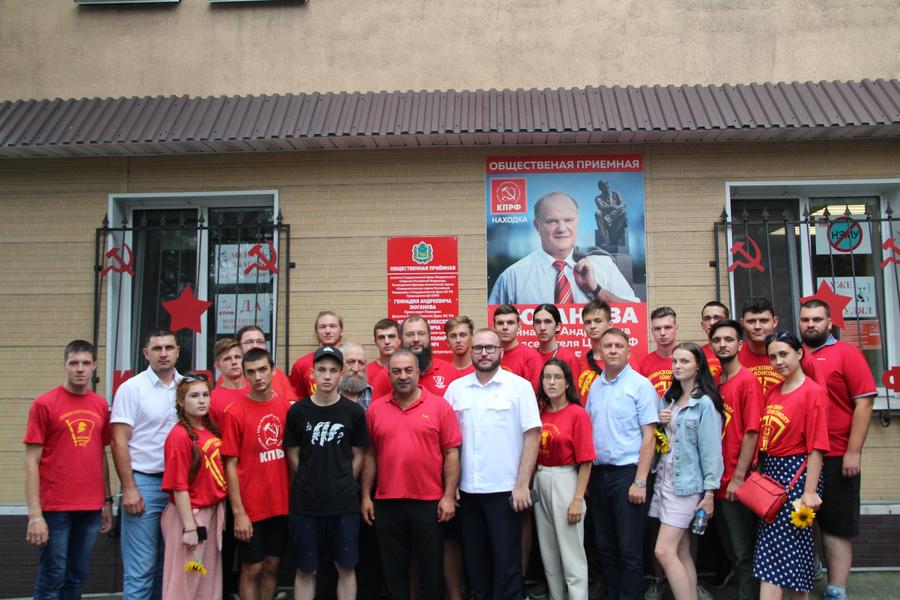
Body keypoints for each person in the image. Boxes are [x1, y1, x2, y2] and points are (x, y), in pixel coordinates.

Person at [444, 328, 542, 600]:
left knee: (507, 564)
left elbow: (532, 436)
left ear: (500, 351)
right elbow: (449, 443)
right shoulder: (456, 389)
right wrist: (451, 487)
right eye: (478, 348)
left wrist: (522, 485)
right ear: (471, 352)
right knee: (476, 564)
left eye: (490, 348)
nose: (484, 353)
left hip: (505, 491)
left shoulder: (519, 387)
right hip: (468, 493)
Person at [361, 349, 462, 600]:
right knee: (394, 572)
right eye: (396, 371)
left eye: (408, 370)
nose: (403, 376)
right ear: (389, 375)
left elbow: (451, 453)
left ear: (418, 372)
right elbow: (370, 454)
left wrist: (448, 496)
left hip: (429, 502)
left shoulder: (440, 407)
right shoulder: (375, 410)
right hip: (387, 502)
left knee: (432, 570)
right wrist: (365, 496)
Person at [799, 300, 877, 600]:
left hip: (836, 453)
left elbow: (864, 403)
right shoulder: (793, 353)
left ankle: (837, 589)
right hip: (799, 454)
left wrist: (853, 451)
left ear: (829, 323)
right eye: (805, 319)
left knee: (836, 523)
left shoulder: (847, 353)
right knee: (804, 517)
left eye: (817, 319)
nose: (810, 324)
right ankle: (813, 569)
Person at [24, 340, 113, 599]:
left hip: (91, 507)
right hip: (55, 508)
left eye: (85, 363)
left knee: (77, 576)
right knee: (53, 576)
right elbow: (30, 462)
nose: (80, 369)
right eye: (74, 363)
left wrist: (107, 501)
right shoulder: (44, 404)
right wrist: (34, 515)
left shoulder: (100, 405)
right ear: (65, 365)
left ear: (94, 366)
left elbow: (101, 455)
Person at [285, 346, 370, 600]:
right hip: (306, 504)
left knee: (346, 567)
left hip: (343, 504)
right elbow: (293, 454)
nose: (327, 376)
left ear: (341, 373)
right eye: (321, 370)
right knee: (305, 569)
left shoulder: (353, 412)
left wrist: (342, 480)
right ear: (312, 373)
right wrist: (311, 478)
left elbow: (359, 454)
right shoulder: (298, 412)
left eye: (333, 370)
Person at [753, 331, 829, 599]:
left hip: (797, 477)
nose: (778, 361)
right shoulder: (774, 391)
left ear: (799, 353)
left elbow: (816, 447)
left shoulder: (813, 392)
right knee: (779, 553)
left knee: (785, 553)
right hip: (772, 478)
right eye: (772, 356)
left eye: (783, 354)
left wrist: (810, 491)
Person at [584, 328, 658, 600]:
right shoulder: (595, 387)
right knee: (605, 547)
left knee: (629, 550)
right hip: (599, 475)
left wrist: (640, 481)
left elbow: (650, 436)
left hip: (629, 475)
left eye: (618, 346)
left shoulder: (641, 386)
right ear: (600, 352)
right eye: (608, 346)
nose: (613, 350)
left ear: (628, 351)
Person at [111, 328, 182, 600]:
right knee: (141, 569)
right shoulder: (132, 389)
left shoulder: (187, 387)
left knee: (170, 568)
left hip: (179, 487)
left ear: (178, 351)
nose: (163, 354)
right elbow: (118, 441)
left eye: (169, 348)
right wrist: (129, 488)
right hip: (145, 483)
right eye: (157, 348)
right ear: (145, 353)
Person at [649, 343, 724, 600]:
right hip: (665, 481)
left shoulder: (704, 404)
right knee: (681, 552)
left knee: (663, 551)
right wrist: (661, 422)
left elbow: (712, 451)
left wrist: (710, 493)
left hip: (686, 487)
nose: (677, 366)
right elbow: (663, 442)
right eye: (675, 361)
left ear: (698, 366)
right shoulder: (669, 398)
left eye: (684, 361)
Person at [221, 347, 291, 600]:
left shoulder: (285, 408)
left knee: (272, 565)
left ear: (273, 371)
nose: (258, 376)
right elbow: (230, 465)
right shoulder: (234, 412)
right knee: (252, 568)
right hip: (251, 507)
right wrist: (238, 512)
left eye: (263, 370)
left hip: (281, 504)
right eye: (251, 372)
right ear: (244, 375)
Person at [488, 191, 639, 304]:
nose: (561, 228)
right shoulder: (512, 277)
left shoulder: (604, 266)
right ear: (537, 226)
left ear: (577, 222)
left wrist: (596, 289)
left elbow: (635, 314)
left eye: (568, 220)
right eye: (552, 221)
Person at [708, 320, 764, 600]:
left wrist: (739, 478)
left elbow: (752, 432)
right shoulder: (717, 382)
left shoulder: (747, 381)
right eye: (717, 340)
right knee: (730, 549)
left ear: (740, 345)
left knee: (743, 552)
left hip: (735, 481)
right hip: (717, 481)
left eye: (728, 340)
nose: (722, 345)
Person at [161, 375, 227, 600]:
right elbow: (178, 486)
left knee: (206, 584)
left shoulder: (207, 429)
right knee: (184, 584)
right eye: (194, 396)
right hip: (190, 515)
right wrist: (190, 527)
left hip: (211, 512)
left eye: (205, 395)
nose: (201, 400)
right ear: (181, 402)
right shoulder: (179, 436)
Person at [534, 358, 595, 600]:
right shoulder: (540, 413)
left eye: (557, 377)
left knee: (571, 554)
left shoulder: (577, 414)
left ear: (567, 382)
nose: (551, 382)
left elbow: (586, 460)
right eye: (547, 377)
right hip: (540, 478)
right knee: (549, 552)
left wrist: (577, 499)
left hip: (566, 480)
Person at [373, 316, 459, 397]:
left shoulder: (450, 371)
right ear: (400, 339)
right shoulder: (387, 375)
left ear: (429, 337)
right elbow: (377, 407)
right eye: (409, 335)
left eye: (421, 334)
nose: (416, 339)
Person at [289, 311, 344, 399]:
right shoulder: (301, 365)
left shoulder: (353, 362)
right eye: (322, 327)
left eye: (333, 326)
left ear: (341, 331)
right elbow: (296, 399)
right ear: (316, 332)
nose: (327, 331)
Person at [236, 325, 298, 402]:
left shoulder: (278, 373)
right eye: (249, 342)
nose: (255, 345)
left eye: (259, 341)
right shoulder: (231, 378)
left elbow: (291, 402)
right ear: (239, 347)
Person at [493, 304, 542, 392]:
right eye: (500, 323)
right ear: (493, 327)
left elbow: (534, 394)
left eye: (510, 323)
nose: (505, 327)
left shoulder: (531, 357)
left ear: (519, 326)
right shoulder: (487, 354)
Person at [575, 299, 612, 402]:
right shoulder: (580, 361)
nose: (592, 326)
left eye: (598, 321)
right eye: (588, 322)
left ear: (610, 324)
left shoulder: (623, 359)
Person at [638, 306, 679, 398]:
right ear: (652, 331)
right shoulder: (644, 364)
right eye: (657, 329)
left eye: (667, 327)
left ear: (676, 328)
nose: (662, 333)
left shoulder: (689, 360)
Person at [533, 303, 580, 377]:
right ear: (533, 326)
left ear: (558, 326)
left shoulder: (569, 358)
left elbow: (574, 384)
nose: (542, 328)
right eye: (538, 322)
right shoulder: (529, 357)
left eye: (547, 322)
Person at [209, 337, 247, 428]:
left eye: (237, 357)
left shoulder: (256, 391)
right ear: (217, 365)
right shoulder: (211, 399)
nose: (234, 362)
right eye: (227, 359)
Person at [339, 342, 374, 409]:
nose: (356, 369)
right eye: (350, 362)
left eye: (361, 363)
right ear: (340, 365)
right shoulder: (330, 394)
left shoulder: (374, 396)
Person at [368, 318, 400, 388]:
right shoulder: (367, 372)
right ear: (375, 342)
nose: (387, 342)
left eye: (391, 336)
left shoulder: (408, 370)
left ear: (399, 340)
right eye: (381, 337)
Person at [698, 301, 726, 380]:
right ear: (702, 324)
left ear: (727, 321)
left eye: (717, 317)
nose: (712, 323)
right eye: (707, 318)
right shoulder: (697, 354)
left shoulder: (739, 350)